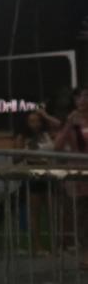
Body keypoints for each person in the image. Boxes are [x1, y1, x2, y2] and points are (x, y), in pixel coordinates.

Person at [17, 106, 61, 255]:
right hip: (33, 175)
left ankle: (55, 245)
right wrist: (27, 151)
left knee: (52, 212)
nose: (34, 124)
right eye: (31, 121)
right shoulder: (23, 137)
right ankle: (37, 246)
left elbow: (59, 124)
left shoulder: (47, 134)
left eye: (37, 121)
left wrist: (45, 114)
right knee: (35, 213)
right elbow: (15, 157)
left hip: (49, 174)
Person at [54, 86, 88, 267]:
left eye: (86, 96)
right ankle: (86, 253)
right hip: (79, 175)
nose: (82, 100)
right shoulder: (72, 122)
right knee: (82, 215)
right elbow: (57, 146)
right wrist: (69, 124)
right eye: (79, 97)